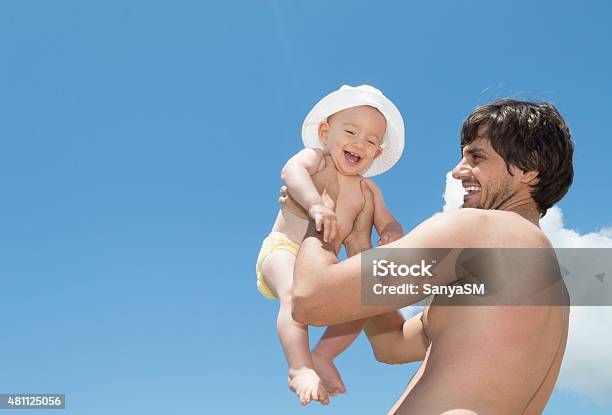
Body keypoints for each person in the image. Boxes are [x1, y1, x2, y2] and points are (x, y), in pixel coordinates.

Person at [291, 99, 574, 414]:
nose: (457, 171)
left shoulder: (482, 229)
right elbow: (392, 346)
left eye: (476, 157)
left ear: (528, 169)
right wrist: (358, 240)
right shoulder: (550, 284)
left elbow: (311, 299)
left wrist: (323, 209)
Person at [255, 85, 406, 405]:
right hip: (284, 249)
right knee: (293, 295)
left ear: (377, 153)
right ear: (325, 132)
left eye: (370, 140)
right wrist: (314, 204)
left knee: (360, 301)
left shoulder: (369, 190)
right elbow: (291, 171)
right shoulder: (317, 160)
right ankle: (299, 367)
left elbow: (389, 221)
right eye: (350, 131)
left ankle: (323, 355)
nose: (358, 143)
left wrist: (391, 232)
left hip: (322, 268)